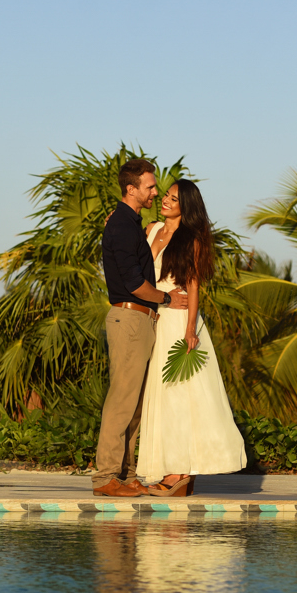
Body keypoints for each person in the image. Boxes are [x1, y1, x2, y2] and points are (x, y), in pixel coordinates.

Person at [136, 179, 247, 496]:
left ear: (187, 205)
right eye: (166, 196)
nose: (165, 201)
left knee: (180, 396)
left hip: (180, 320)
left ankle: (179, 472)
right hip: (157, 314)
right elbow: (141, 268)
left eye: (173, 198)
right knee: (162, 395)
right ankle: (174, 471)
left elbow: (194, 286)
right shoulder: (153, 229)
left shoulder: (193, 240)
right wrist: (154, 242)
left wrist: (189, 331)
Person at [92, 159, 189, 497]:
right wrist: (166, 298)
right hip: (130, 316)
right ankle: (105, 476)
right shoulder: (121, 225)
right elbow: (134, 283)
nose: (155, 191)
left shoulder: (131, 224)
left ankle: (126, 474)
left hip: (140, 320)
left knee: (133, 404)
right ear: (131, 189)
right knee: (121, 400)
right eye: (149, 186)